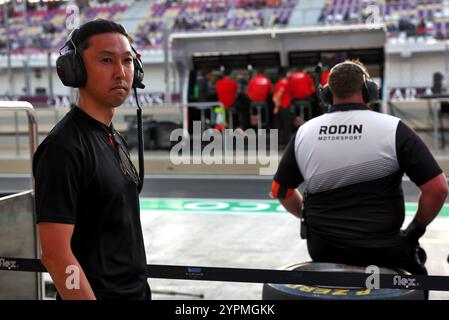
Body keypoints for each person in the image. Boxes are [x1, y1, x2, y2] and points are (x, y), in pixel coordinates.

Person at [271, 60, 448, 291]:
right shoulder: (393, 128)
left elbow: (280, 191)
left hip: (324, 250)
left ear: (326, 94)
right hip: (385, 251)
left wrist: (307, 217)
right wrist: (414, 231)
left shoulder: (305, 132)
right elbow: (438, 189)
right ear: (369, 91)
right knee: (419, 277)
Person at [33, 19, 150, 300]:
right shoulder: (63, 148)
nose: (121, 72)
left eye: (127, 61)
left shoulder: (112, 137)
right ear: (76, 69)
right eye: (106, 60)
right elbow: (56, 256)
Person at [272, 69, 293, 146]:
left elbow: (275, 96)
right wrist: (277, 107)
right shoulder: (284, 82)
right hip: (283, 107)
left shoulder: (280, 82)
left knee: (278, 127)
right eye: (290, 72)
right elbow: (280, 94)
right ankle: (287, 145)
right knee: (286, 127)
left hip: (281, 107)